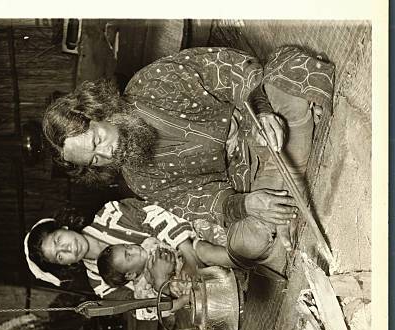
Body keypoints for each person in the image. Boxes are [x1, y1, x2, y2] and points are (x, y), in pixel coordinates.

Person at [42, 46, 335, 269]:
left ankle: (289, 169)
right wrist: (248, 203)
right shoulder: (139, 180)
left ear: (100, 113)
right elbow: (203, 202)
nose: (106, 153)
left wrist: (261, 109)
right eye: (94, 160)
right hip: (246, 170)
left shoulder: (151, 85)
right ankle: (294, 153)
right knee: (246, 245)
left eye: (96, 140)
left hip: (255, 120)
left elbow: (231, 69)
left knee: (284, 79)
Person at [24, 199, 205, 319]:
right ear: (66, 264)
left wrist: (190, 258)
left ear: (63, 227)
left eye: (58, 240)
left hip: (198, 240)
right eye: (60, 256)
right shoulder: (100, 284)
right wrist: (161, 281)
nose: (67, 248)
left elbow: (157, 215)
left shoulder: (110, 214)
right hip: (190, 290)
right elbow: (141, 309)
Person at [96, 236, 232, 302]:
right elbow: (167, 303)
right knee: (198, 295)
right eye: (129, 255)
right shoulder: (142, 290)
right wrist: (161, 283)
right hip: (187, 286)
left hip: (191, 257)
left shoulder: (148, 243)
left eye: (127, 246)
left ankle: (243, 260)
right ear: (130, 275)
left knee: (205, 250)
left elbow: (174, 242)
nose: (133, 249)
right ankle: (229, 290)